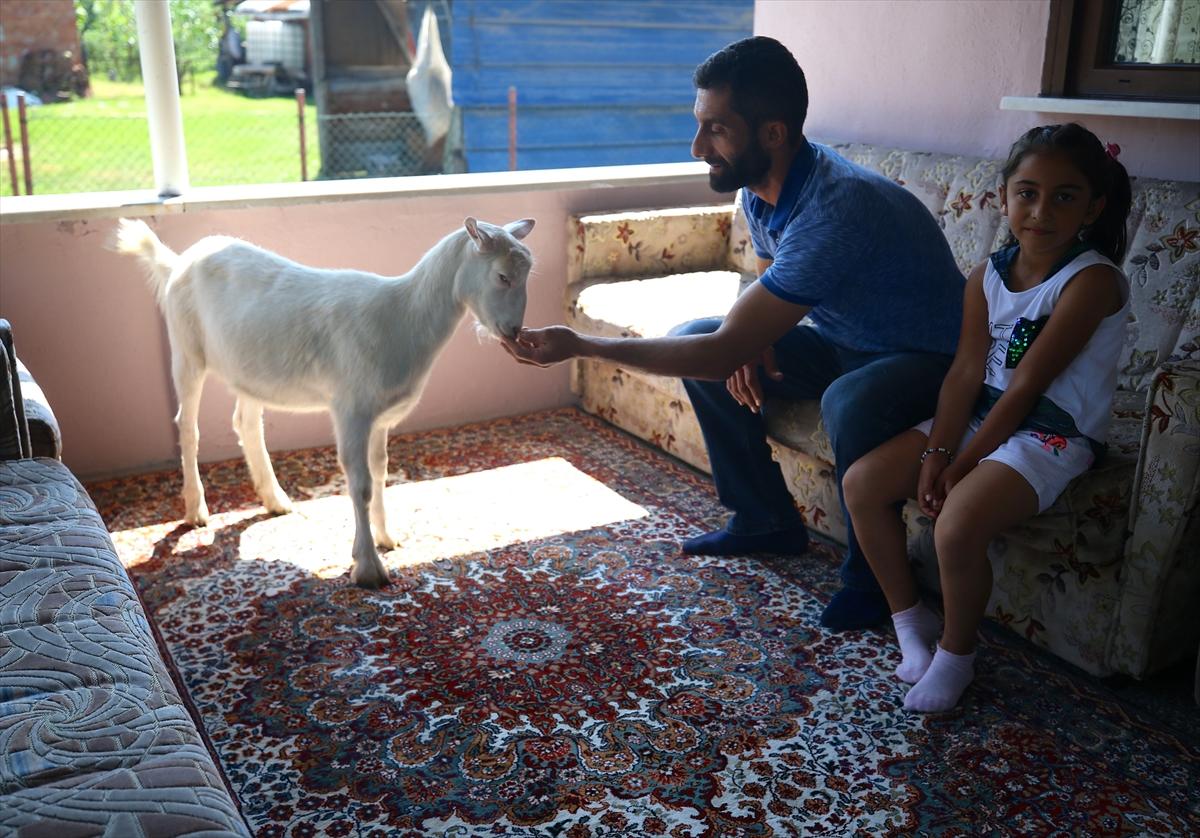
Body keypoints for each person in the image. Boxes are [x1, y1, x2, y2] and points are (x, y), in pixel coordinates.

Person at [501, 36, 965, 631]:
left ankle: (874, 580)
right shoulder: (760, 186)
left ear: (773, 132)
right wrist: (753, 337)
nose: (698, 147)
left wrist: (584, 343)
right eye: (701, 127)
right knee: (702, 334)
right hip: (846, 337)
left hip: (927, 355)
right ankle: (764, 519)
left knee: (833, 392)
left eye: (716, 130)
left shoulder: (835, 208)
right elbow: (767, 278)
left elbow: (722, 350)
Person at [841, 123, 1133, 712]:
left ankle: (957, 656)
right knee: (862, 483)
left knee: (954, 525)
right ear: (1003, 198)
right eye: (1026, 193)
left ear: (1093, 207)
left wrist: (959, 467)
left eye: (1064, 196)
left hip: (1051, 431)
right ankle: (910, 622)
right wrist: (936, 453)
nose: (1041, 211)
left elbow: (1027, 385)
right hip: (983, 416)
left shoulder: (1092, 280)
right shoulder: (986, 275)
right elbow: (965, 373)